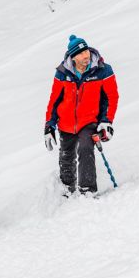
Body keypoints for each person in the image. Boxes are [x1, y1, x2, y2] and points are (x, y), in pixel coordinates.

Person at [44, 35, 119, 195]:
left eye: (86, 51)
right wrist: (49, 125)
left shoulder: (102, 70)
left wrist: (107, 121)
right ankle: (67, 188)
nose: (85, 56)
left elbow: (112, 97)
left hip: (89, 121)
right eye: (80, 54)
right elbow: (54, 100)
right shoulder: (63, 73)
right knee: (66, 157)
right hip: (66, 123)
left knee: (85, 149)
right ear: (73, 57)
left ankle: (87, 190)